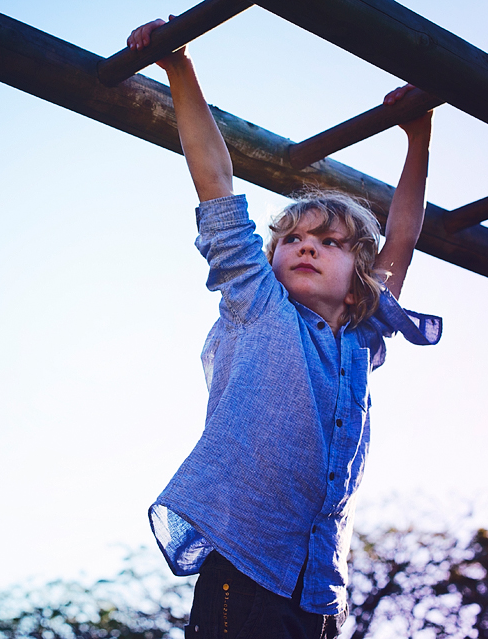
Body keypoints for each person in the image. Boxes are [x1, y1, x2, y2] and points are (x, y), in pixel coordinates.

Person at [127, 19, 443, 639]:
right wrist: (180, 67)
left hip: (323, 589)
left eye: (328, 241)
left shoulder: (362, 334)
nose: (305, 247)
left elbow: (402, 238)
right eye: (291, 238)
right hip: (246, 562)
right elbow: (215, 183)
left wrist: (419, 134)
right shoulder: (258, 302)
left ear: (358, 274)